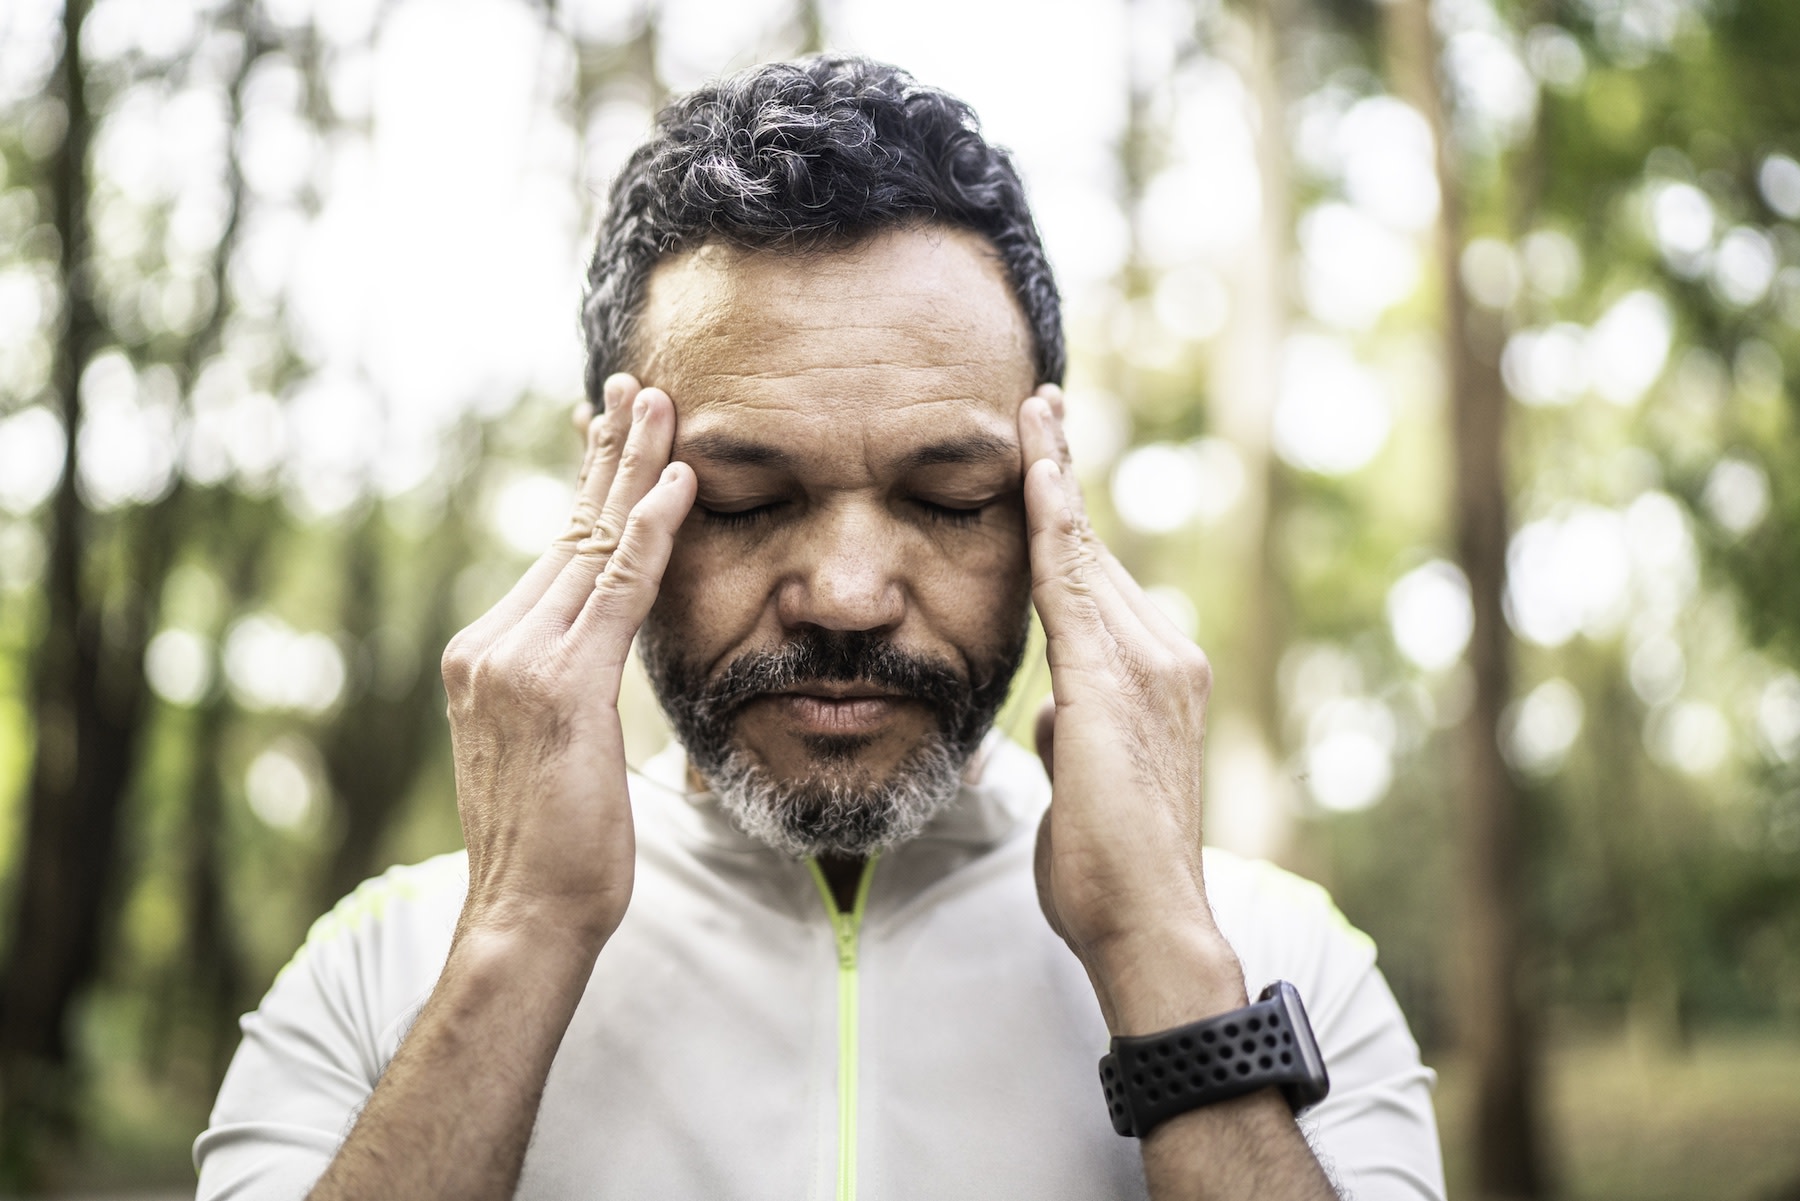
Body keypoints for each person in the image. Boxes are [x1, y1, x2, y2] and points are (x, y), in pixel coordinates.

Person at [195, 54, 1445, 1200]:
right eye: (746, 502)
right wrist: (519, 939)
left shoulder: (1279, 963)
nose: (847, 595)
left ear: (1044, 491)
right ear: (611, 497)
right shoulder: (386, 973)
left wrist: (1163, 960)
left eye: (947, 499)